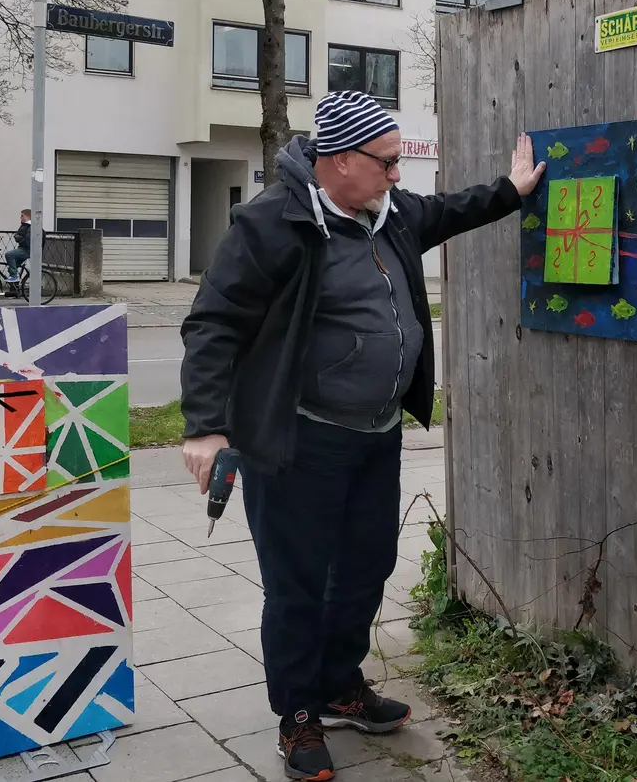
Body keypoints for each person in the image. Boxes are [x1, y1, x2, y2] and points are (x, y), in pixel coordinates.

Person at [180, 89, 544, 781]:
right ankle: (296, 714)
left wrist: (511, 190)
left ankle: (338, 682)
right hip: (299, 438)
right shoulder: (270, 225)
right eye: (386, 162)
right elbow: (212, 324)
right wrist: (205, 426)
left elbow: (448, 210)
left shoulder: (390, 213)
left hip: (374, 434)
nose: (397, 175)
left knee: (366, 565)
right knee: (297, 583)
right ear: (339, 161)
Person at [6, 209, 31, 281]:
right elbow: (18, 235)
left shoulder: (29, 226)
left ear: (28, 217)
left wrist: (19, 238)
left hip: (26, 250)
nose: (21, 218)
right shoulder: (25, 225)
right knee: (11, 268)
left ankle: (15, 277)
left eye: (22, 216)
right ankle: (14, 288)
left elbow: (27, 240)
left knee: (9, 255)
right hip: (23, 248)